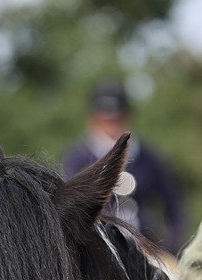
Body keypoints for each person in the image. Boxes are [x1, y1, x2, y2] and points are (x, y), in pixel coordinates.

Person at [62, 80, 185, 255]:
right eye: (105, 118)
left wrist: (171, 244)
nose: (111, 123)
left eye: (116, 116)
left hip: (145, 248)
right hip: (98, 252)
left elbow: (173, 201)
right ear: (93, 117)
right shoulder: (77, 159)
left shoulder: (148, 157)